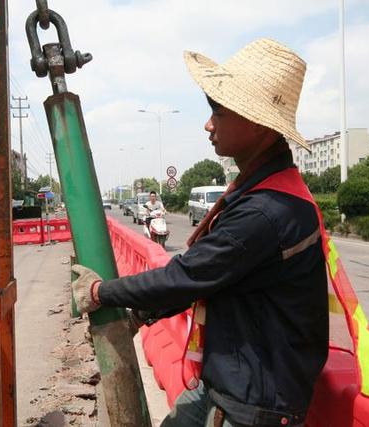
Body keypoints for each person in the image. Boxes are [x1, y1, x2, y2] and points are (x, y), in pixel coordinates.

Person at [72, 38, 329, 427]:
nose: (209, 125)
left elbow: (189, 275)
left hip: (252, 407)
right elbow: (213, 276)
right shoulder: (263, 191)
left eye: (218, 112)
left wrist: (99, 292)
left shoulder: (265, 210)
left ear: (257, 123)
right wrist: (143, 311)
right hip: (228, 387)